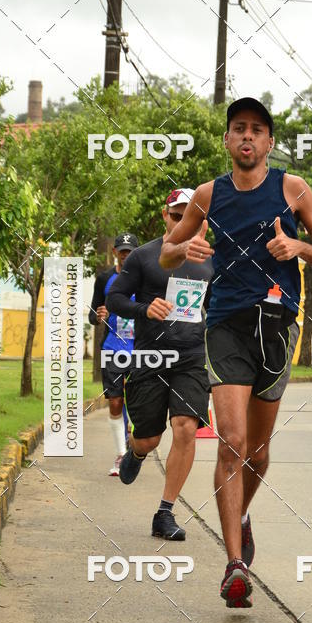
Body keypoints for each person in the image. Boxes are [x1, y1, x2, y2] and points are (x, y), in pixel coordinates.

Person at [159, 96, 312, 608]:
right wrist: (187, 249)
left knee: (258, 454)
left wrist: (299, 248)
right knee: (232, 442)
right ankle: (234, 565)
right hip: (224, 326)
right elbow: (168, 250)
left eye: (256, 130)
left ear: (268, 142)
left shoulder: (292, 190)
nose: (247, 137)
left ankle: (240, 513)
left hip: (276, 326)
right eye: (238, 128)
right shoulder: (207, 194)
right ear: (227, 140)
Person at [105, 189, 214, 541]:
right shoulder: (143, 256)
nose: (183, 221)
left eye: (191, 215)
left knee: (185, 427)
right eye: (177, 214)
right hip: (151, 357)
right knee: (149, 439)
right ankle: (135, 452)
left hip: (191, 357)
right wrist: (144, 309)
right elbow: (115, 298)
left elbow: (218, 306)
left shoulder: (213, 260)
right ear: (165, 216)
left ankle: (165, 513)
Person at [88, 232, 139, 476]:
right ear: (115, 253)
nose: (126, 255)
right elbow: (92, 313)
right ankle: (121, 455)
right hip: (113, 348)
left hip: (142, 348)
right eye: (122, 251)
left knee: (141, 404)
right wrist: (98, 316)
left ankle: (135, 445)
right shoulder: (105, 278)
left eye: (130, 251)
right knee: (116, 401)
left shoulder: (146, 277)